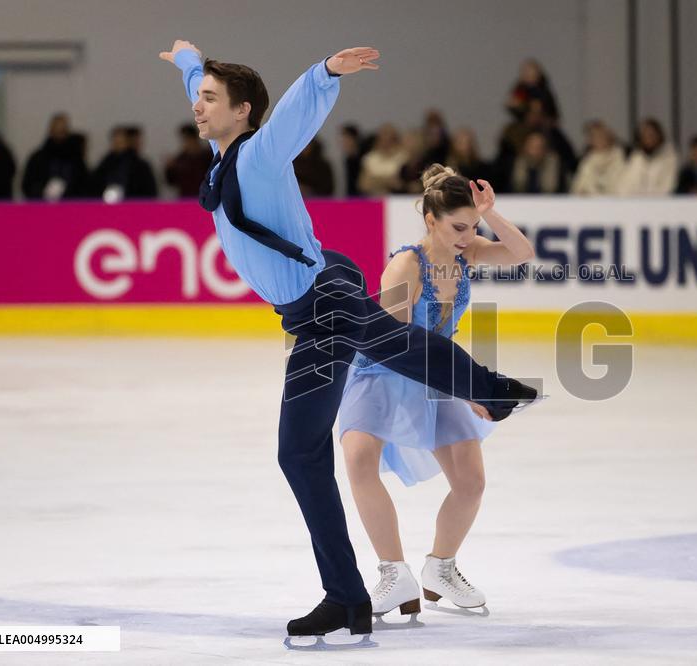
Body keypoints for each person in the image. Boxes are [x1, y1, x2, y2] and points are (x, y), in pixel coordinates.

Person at [158, 39, 536, 639]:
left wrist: (323, 74)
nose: (198, 106)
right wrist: (189, 62)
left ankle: (346, 598)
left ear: (242, 113)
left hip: (320, 299)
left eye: (210, 99)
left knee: (332, 415)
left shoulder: (258, 154)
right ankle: (490, 391)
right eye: (198, 98)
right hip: (317, 300)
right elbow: (206, 94)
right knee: (381, 357)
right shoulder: (222, 150)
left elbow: (290, 118)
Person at [338, 165, 534, 616]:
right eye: (458, 227)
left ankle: (440, 569)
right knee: (359, 460)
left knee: (471, 481)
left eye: (474, 227)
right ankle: (393, 573)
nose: (468, 236)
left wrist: (492, 213)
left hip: (439, 372)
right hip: (384, 370)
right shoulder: (406, 265)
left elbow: (521, 253)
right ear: (431, 220)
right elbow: (397, 347)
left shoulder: (467, 253)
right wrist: (469, 390)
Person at [22, 113, 90, 200]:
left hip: (70, 207)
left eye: (62, 130)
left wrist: (68, 193)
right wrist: (43, 191)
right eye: (57, 129)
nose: (59, 133)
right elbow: (27, 185)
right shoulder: (38, 158)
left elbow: (84, 184)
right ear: (51, 130)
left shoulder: (76, 159)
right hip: (43, 207)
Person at [616, 118, 677, 196]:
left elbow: (668, 188)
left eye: (651, 135)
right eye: (644, 135)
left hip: (660, 204)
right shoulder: (636, 158)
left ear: (659, 135)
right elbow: (623, 187)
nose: (648, 139)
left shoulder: (670, 158)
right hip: (635, 204)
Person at [165, 123, 214, 197]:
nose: (186, 143)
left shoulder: (208, 156)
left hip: (205, 197)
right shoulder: (180, 159)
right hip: (186, 198)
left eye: (188, 139)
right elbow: (172, 182)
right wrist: (169, 168)